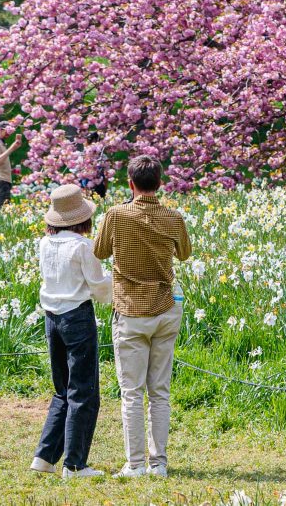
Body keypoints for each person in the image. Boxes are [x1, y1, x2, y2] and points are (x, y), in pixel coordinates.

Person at [95, 155, 192, 478]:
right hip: (165, 307)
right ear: (160, 183)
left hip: (131, 310)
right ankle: (159, 463)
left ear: (130, 183)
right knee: (159, 391)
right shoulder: (174, 217)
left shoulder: (116, 215)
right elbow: (185, 254)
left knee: (132, 392)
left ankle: (136, 464)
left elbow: (99, 251)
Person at [30, 184, 114, 478]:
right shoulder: (82, 246)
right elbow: (98, 285)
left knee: (62, 390)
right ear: (83, 218)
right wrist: (117, 281)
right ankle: (75, 464)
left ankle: (45, 456)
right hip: (77, 318)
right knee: (84, 392)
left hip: (51, 319)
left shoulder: (44, 244)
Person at [0, 128, 23, 205]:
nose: (8, 133)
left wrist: (12, 170)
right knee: (1, 205)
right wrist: (12, 148)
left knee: (5, 205)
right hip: (0, 179)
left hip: (3, 178)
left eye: (10, 131)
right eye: (6, 130)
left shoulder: (1, 143)